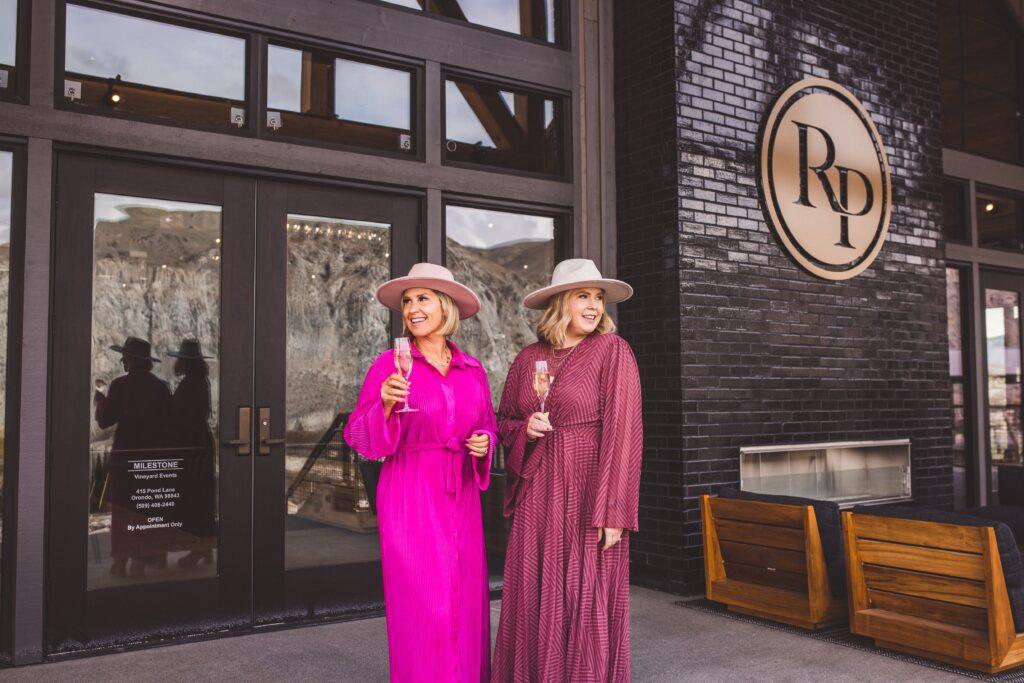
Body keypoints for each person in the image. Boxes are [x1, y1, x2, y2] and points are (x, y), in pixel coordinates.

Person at [343, 263, 497, 682]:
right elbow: (358, 435)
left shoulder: (473, 370)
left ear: (444, 306)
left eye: (421, 298)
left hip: (460, 492)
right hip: (411, 491)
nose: (411, 308)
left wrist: (484, 440)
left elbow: (487, 422)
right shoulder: (390, 364)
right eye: (407, 301)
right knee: (424, 603)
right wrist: (387, 405)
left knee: (464, 599)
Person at [492, 259, 643, 682]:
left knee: (583, 592)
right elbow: (503, 421)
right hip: (538, 492)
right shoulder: (527, 359)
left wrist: (614, 510)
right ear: (561, 303)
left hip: (588, 490)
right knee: (534, 591)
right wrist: (527, 429)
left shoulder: (613, 352)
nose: (594, 306)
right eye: (583, 296)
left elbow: (624, 431)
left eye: (598, 298)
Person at [94, 336, 172, 579]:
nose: (122, 361)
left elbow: (105, 419)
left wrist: (100, 401)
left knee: (123, 507)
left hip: (126, 456)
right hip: (153, 455)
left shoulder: (119, 386)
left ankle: (121, 561)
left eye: (124, 357)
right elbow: (169, 423)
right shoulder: (161, 387)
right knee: (147, 506)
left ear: (131, 360)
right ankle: (143, 557)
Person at [167, 338, 217, 568]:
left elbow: (177, 415)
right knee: (203, 497)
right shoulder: (201, 381)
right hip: (201, 443)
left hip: (192, 446)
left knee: (194, 498)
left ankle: (199, 549)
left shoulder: (190, 384)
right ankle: (205, 549)